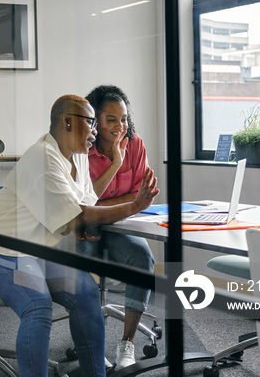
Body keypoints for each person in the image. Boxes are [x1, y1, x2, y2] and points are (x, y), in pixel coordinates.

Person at [0, 94, 159, 377]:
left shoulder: (75, 157)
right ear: (67, 121)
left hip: (36, 251)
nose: (95, 131)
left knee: (87, 294)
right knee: (38, 305)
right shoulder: (42, 157)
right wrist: (136, 205)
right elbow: (80, 217)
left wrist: (116, 163)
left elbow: (88, 200)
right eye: (91, 123)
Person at [81, 84, 156, 369]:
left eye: (123, 118)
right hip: (85, 225)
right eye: (111, 119)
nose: (119, 125)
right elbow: (80, 204)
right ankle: (89, 342)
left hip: (120, 223)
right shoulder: (81, 148)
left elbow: (139, 195)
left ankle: (127, 343)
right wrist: (120, 201)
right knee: (78, 263)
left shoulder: (134, 144)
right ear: (95, 120)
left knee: (142, 257)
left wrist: (105, 207)